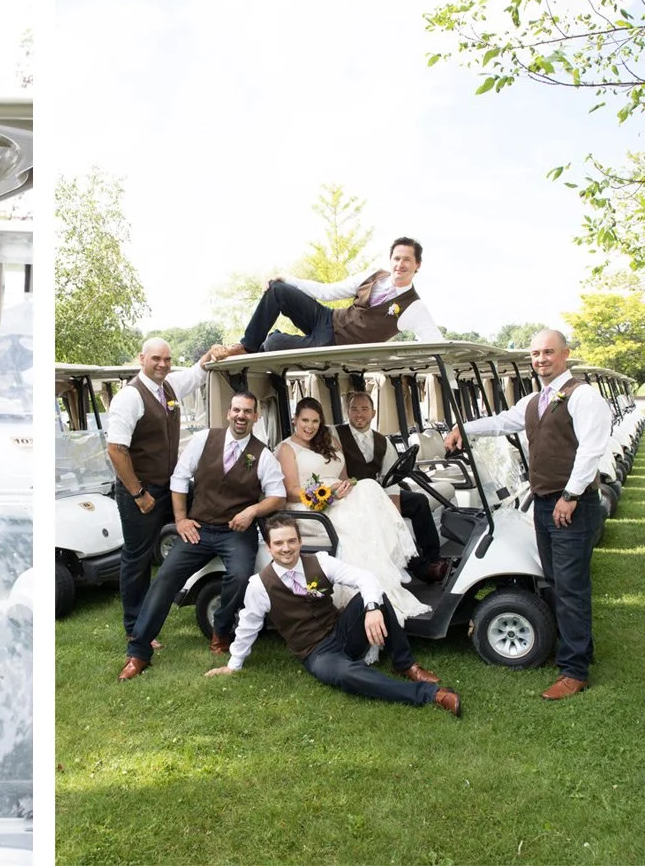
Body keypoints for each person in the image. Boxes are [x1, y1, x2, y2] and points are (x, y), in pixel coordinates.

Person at [445, 327, 611, 700]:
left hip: (572, 504)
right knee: (554, 580)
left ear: (565, 354)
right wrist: (462, 429)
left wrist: (571, 494)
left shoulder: (583, 397)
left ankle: (574, 671)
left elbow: (590, 451)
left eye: (548, 352)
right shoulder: (535, 400)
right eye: (535, 354)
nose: (540, 360)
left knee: (570, 588)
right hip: (544, 503)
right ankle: (577, 649)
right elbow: (503, 421)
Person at [205, 515, 460, 716]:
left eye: (291, 541)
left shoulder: (321, 562)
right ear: (269, 548)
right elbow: (248, 625)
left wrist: (371, 610)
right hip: (316, 652)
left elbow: (365, 578)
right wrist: (233, 664)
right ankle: (429, 694)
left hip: (342, 630)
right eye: (279, 544)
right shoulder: (259, 585)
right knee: (348, 675)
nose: (286, 548)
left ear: (299, 542)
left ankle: (406, 664)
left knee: (374, 596)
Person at [118, 390, 285, 679]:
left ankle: (221, 630)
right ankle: (139, 652)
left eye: (247, 411)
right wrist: (181, 520)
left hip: (236, 532)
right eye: (236, 410)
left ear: (255, 417)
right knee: (165, 578)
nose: (240, 416)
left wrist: (251, 512)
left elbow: (278, 496)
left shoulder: (263, 454)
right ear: (228, 413)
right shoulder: (203, 439)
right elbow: (180, 478)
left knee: (241, 575)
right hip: (199, 529)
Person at [106, 336, 232, 641]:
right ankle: (135, 629)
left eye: (167, 359)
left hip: (169, 486)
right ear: (141, 359)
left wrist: (209, 355)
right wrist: (138, 494)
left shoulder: (169, 386)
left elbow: (195, 374)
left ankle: (209, 582)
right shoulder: (129, 397)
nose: (162, 364)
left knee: (204, 517)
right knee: (137, 557)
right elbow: (116, 450)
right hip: (141, 490)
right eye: (156, 359)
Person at [275, 397, 429, 624]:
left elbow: (345, 478)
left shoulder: (329, 442)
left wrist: (345, 488)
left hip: (336, 497)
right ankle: (386, 571)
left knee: (368, 486)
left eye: (315, 421)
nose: (310, 426)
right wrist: (325, 494)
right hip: (311, 506)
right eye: (305, 420)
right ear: (295, 420)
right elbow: (291, 491)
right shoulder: (287, 448)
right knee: (359, 517)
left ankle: (388, 567)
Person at [239, 237, 442, 355]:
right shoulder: (373, 275)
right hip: (326, 318)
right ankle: (246, 346)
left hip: (335, 344)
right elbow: (327, 292)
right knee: (277, 289)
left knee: (274, 344)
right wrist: (287, 278)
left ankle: (270, 342)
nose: (400, 264)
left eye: (407, 260)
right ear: (390, 260)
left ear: (418, 265)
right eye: (397, 258)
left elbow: (436, 344)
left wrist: (450, 383)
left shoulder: (415, 308)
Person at [336, 390, 448, 585]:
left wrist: (394, 508)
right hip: (352, 498)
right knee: (386, 517)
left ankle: (433, 557)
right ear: (348, 412)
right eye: (354, 409)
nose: (359, 414)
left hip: (378, 493)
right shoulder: (335, 434)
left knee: (418, 501)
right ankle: (421, 568)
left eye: (364, 409)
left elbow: (392, 478)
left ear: (374, 412)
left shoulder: (383, 441)